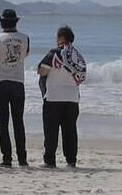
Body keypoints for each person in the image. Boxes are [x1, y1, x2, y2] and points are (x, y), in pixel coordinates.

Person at [37, 26, 87, 169]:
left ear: (60, 38)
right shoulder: (78, 56)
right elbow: (82, 76)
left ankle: (49, 161)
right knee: (70, 131)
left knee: (51, 131)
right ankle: (71, 161)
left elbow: (42, 70)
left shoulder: (54, 53)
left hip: (53, 97)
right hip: (72, 98)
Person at [0, 9, 30, 167]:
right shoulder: (25, 39)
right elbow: (24, 56)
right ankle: (22, 158)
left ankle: (7, 158)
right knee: (19, 122)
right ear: (16, 21)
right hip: (18, 83)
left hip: (1, 83)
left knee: (3, 123)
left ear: (1, 22)